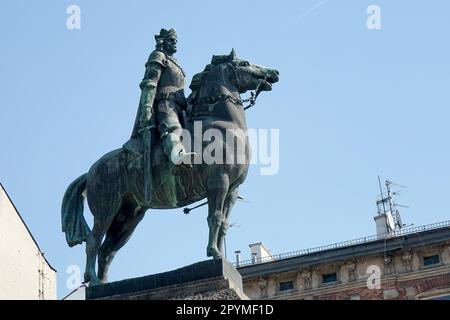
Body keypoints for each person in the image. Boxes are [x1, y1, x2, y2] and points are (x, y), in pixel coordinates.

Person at [124, 28, 194, 168]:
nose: (175, 43)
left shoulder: (176, 63)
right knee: (173, 130)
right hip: (165, 104)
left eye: (175, 40)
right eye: (171, 40)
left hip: (181, 107)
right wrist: (146, 107)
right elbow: (150, 83)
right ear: (163, 42)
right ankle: (177, 157)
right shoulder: (158, 56)